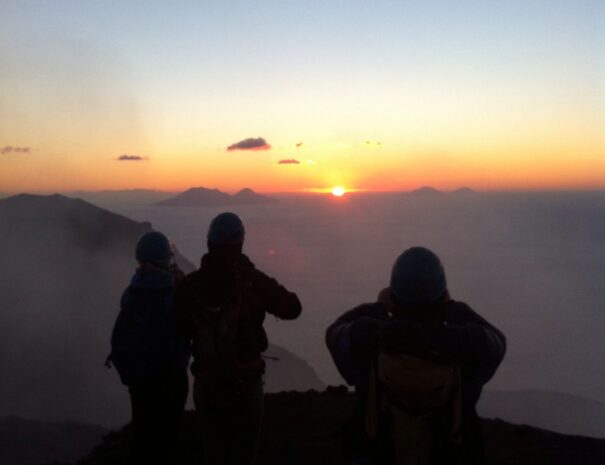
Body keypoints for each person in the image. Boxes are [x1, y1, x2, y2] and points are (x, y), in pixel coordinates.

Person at [326, 247, 506, 465]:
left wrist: (378, 307)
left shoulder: (367, 340)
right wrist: (452, 308)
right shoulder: (466, 346)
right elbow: (497, 342)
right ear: (441, 296)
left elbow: (334, 333)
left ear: (394, 297)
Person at [175, 212, 302, 465]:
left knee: (214, 452)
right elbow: (292, 308)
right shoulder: (251, 282)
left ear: (210, 243)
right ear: (240, 243)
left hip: (208, 385)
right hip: (245, 385)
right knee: (243, 455)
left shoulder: (189, 286)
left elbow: (179, 329)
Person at [108, 231, 190, 465]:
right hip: (170, 377)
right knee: (168, 437)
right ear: (165, 257)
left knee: (143, 432)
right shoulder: (174, 291)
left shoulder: (131, 292)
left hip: (139, 378)